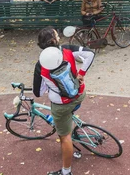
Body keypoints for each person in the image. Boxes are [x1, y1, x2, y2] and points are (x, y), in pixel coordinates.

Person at [33, 27, 95, 175]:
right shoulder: (67, 50)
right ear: (54, 40)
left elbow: (38, 92)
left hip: (62, 105)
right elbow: (90, 54)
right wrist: (81, 74)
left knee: (64, 137)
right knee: (66, 116)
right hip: (79, 94)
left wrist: (50, 86)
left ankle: (66, 172)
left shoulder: (40, 65)